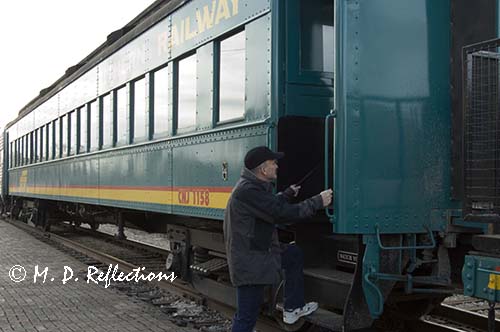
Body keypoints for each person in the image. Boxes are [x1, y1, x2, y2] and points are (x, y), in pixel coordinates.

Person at [223, 146, 333, 332]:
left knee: (293, 254)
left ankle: (292, 309)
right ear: (263, 169)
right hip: (251, 261)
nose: (277, 167)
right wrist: (317, 201)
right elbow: (281, 214)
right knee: (246, 317)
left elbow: (268, 206)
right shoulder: (247, 191)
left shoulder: (252, 187)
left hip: (259, 252)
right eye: (274, 163)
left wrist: (286, 194)